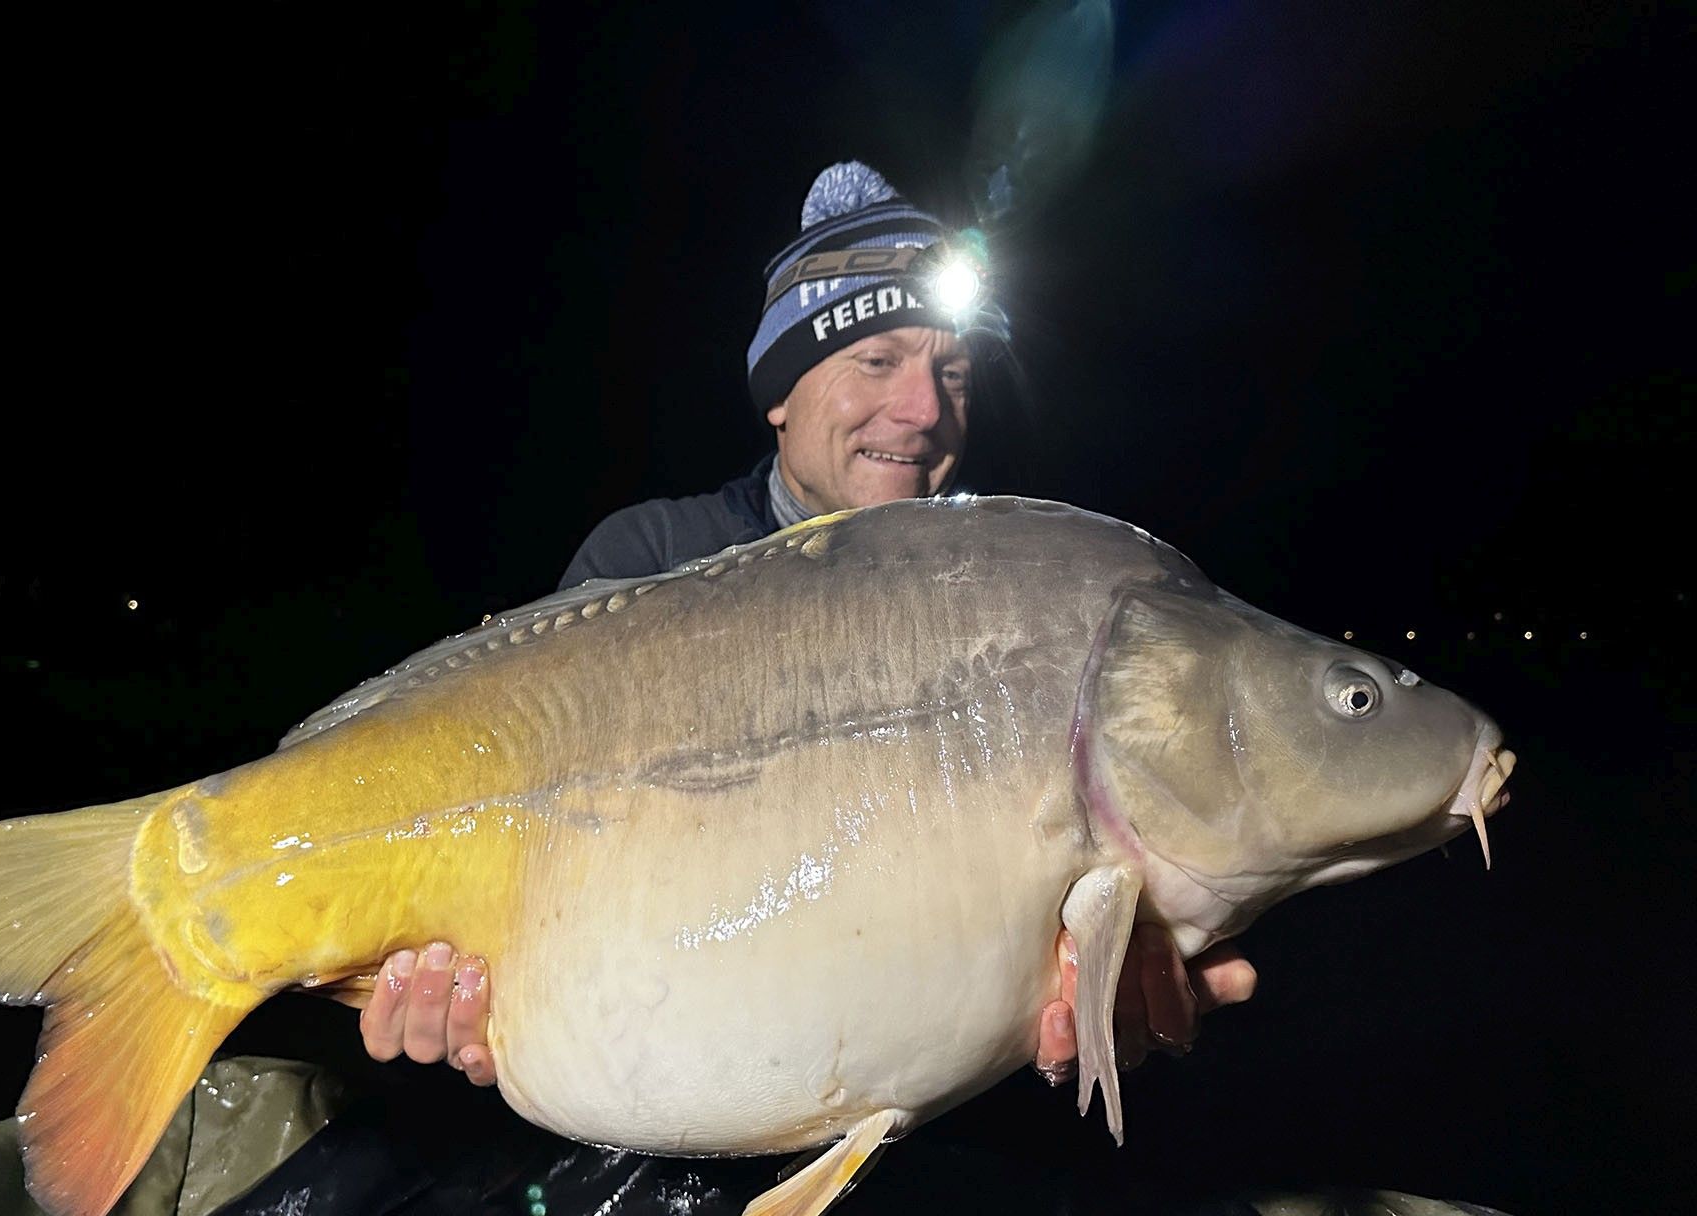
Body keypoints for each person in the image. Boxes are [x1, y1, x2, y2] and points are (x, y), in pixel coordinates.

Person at [357, 160, 1257, 1098]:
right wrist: (452, 992)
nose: (923, 411)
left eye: (952, 372)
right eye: (876, 362)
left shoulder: (997, 594)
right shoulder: (653, 555)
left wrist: (1103, 984)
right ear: (780, 395)